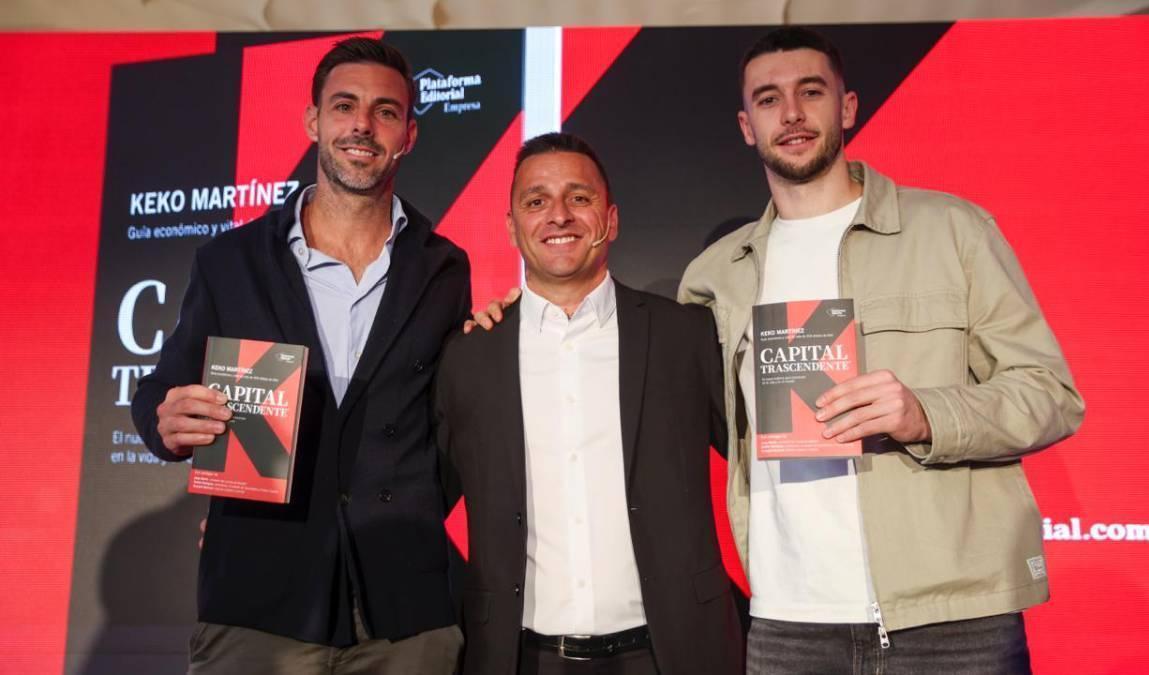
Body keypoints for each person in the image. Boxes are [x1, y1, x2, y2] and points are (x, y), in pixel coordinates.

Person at [677, 27, 1086, 674]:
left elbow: (1051, 395)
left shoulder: (951, 230)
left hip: (952, 619)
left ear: (847, 107)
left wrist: (925, 414)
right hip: (789, 625)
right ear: (747, 126)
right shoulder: (714, 276)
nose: (791, 113)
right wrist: (517, 316)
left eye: (811, 92)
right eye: (769, 99)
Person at [131, 37, 469, 674]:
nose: (362, 125)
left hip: (405, 609)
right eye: (344, 106)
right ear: (314, 121)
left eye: (385, 111)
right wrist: (163, 422)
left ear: (409, 134)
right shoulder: (229, 262)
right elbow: (158, 390)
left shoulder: (445, 269)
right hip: (259, 596)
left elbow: (456, 424)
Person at [436, 132, 743, 675]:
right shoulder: (468, 356)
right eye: (536, 201)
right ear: (512, 227)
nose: (559, 215)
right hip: (519, 658)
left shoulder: (685, 335)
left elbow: (761, 456)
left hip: (673, 653)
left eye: (579, 198)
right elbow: (422, 496)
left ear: (612, 219)